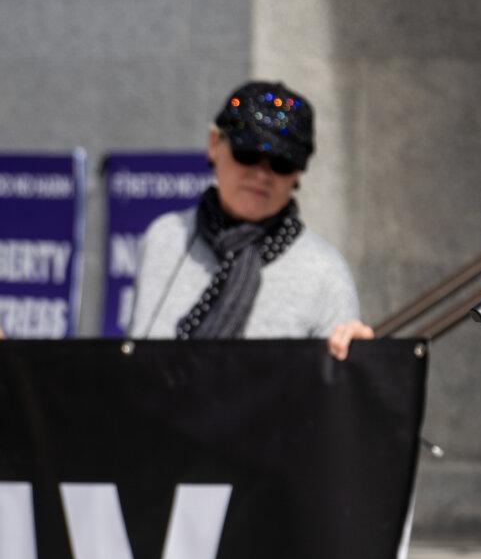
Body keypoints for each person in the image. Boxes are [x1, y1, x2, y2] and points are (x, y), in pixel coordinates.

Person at [128, 81, 372, 358]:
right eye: (247, 154)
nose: (261, 174)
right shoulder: (164, 237)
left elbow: (339, 389)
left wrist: (358, 357)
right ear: (213, 145)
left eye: (282, 162)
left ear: (298, 174)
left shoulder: (325, 272)